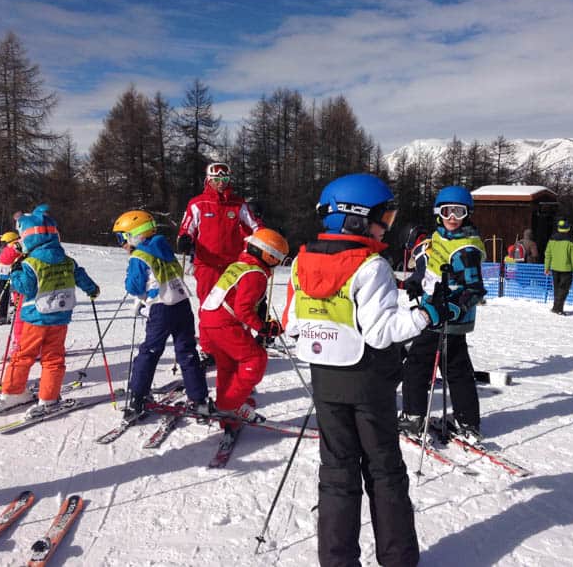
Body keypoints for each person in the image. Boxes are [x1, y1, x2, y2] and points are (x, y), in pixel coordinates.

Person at [283, 173, 445, 567]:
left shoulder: (302, 260)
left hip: (325, 379)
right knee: (385, 471)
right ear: (355, 218)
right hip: (369, 382)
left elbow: (291, 324)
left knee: (336, 472)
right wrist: (428, 313)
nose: (385, 226)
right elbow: (382, 333)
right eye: (381, 217)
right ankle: (399, 560)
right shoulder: (370, 265)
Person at [398, 185, 487, 441]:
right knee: (457, 370)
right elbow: (432, 270)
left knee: (416, 366)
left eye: (458, 212)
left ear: (467, 214)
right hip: (437, 313)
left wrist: (453, 307)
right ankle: (467, 421)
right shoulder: (441, 239)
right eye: (447, 211)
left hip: (444, 318)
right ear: (438, 212)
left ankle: (414, 418)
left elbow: (475, 290)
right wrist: (416, 282)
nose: (451, 218)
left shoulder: (466, 248)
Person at [0, 205, 99, 416]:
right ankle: (49, 397)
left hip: (36, 318)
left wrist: (14, 273)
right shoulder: (66, 260)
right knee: (53, 358)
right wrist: (92, 290)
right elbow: (81, 276)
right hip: (60, 318)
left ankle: (13, 392)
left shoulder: (31, 262)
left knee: (23, 355)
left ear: (29, 237)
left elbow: (25, 288)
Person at [113, 210, 209, 420]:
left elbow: (135, 285)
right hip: (182, 304)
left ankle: (138, 398)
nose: (121, 245)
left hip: (161, 308)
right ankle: (199, 400)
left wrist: (139, 292)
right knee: (187, 351)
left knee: (149, 351)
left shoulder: (139, 256)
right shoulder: (164, 248)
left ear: (134, 235)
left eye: (121, 238)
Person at [199, 228, 289, 442]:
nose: (277, 265)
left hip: (211, 321)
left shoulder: (239, 265)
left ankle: (227, 412)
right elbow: (243, 309)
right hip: (224, 324)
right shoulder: (255, 274)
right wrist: (264, 328)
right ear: (269, 256)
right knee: (255, 358)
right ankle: (231, 405)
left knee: (228, 366)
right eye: (278, 260)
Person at [177, 162, 262, 306]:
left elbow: (255, 226)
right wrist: (185, 238)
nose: (221, 184)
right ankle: (207, 328)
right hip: (207, 264)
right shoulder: (198, 203)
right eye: (216, 180)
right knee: (208, 304)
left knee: (233, 304)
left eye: (225, 180)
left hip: (232, 264)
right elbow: (187, 228)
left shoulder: (237, 204)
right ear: (209, 180)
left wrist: (265, 241)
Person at [0, 231, 25, 352]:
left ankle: (20, 345)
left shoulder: (17, 250)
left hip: (22, 287)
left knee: (21, 318)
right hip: (16, 284)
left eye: (5, 244)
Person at [544, 219, 573, 315]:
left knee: (556, 288)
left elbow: (548, 254)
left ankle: (556, 307)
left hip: (554, 268)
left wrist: (546, 267)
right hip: (566, 269)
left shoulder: (552, 239)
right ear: (568, 228)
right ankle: (558, 309)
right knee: (563, 290)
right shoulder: (571, 241)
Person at [0, 231, 21, 325]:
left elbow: (4, 259)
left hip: (10, 277)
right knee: (6, 295)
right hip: (3, 275)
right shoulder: (9, 248)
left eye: (4, 243)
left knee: (8, 295)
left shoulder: (14, 248)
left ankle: (3, 315)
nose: (3, 246)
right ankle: (5, 313)